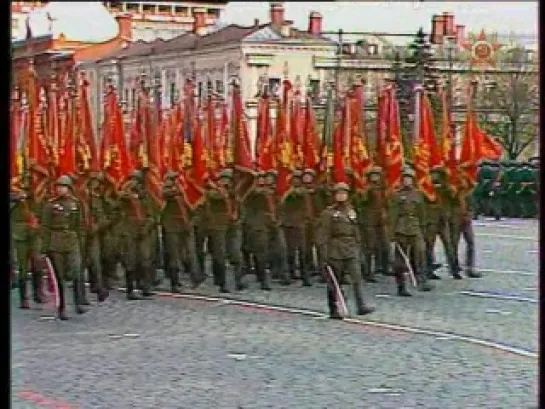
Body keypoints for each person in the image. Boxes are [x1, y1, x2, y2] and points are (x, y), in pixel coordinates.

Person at [317, 182, 374, 319]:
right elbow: (323, 235)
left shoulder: (351, 211)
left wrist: (358, 245)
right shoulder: (328, 213)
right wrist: (324, 255)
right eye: (339, 193)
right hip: (335, 249)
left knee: (357, 277)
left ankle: (361, 305)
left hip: (350, 247)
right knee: (335, 281)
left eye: (344, 193)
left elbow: (355, 230)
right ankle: (334, 308)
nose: (341, 196)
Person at [41, 175, 87, 320]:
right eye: (59, 187)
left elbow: (80, 225)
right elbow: (45, 227)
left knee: (76, 271)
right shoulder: (50, 205)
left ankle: (78, 302)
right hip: (56, 241)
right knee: (59, 277)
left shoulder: (75, 204)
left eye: (63, 186)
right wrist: (45, 247)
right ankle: (61, 307)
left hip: (72, 240)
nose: (61, 189)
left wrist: (81, 242)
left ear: (69, 188)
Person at [389, 168, 433, 296]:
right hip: (401, 228)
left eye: (409, 178)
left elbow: (422, 213)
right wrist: (391, 234)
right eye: (405, 178)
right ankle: (401, 286)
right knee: (400, 260)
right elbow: (393, 215)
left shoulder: (418, 194)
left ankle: (422, 280)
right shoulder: (397, 195)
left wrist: (423, 229)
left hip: (415, 227)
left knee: (421, 253)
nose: (407, 181)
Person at [161, 171, 206, 292]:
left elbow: (192, 208)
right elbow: (164, 195)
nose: (175, 181)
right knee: (174, 255)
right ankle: (174, 283)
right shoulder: (167, 191)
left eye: (176, 179)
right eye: (172, 179)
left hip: (186, 226)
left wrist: (192, 221)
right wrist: (177, 190)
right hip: (172, 227)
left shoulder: (183, 193)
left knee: (191, 253)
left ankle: (196, 277)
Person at [118, 170, 156, 300]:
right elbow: (118, 203)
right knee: (130, 261)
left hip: (143, 231)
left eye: (137, 181)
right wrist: (127, 191)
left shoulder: (145, 197)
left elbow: (151, 216)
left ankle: (145, 287)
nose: (135, 183)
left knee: (145, 260)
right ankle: (130, 289)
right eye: (132, 180)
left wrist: (145, 229)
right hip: (128, 231)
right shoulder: (125, 197)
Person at [10, 187, 44, 309]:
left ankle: (38, 293)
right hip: (21, 234)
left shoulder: (36, 190)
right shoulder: (15, 193)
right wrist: (17, 196)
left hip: (35, 232)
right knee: (23, 267)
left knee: (37, 263)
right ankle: (23, 298)